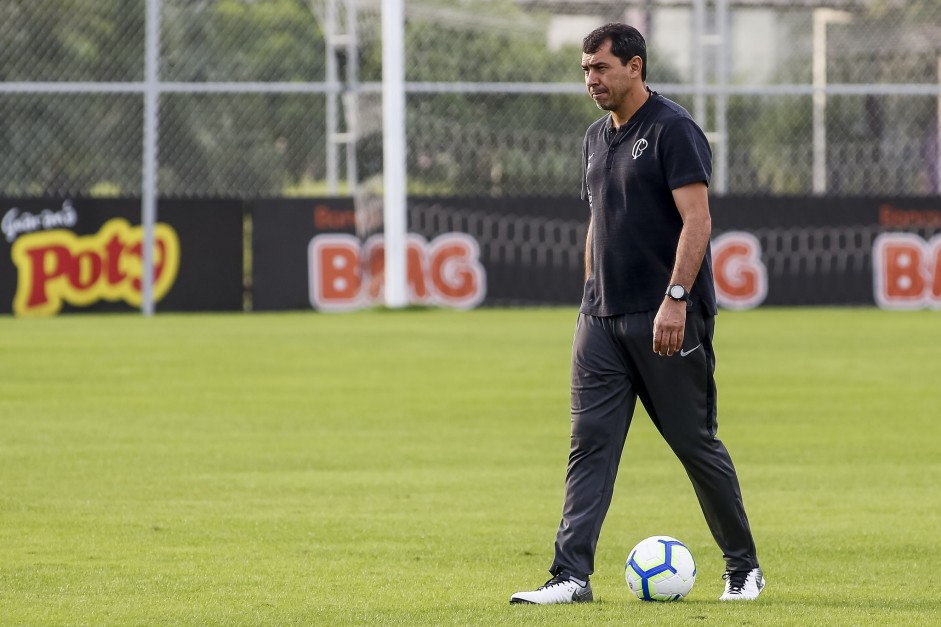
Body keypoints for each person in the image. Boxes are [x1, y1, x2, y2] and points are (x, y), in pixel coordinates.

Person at [510, 23, 764, 605]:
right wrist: (588, 296)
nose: (591, 79)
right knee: (589, 445)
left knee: (694, 443)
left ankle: (742, 567)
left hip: (666, 317)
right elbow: (599, 220)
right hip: (600, 321)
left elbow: (697, 220)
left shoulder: (674, 130)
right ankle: (570, 577)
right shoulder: (596, 138)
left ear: (635, 67)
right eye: (585, 69)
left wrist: (675, 300)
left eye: (601, 68)